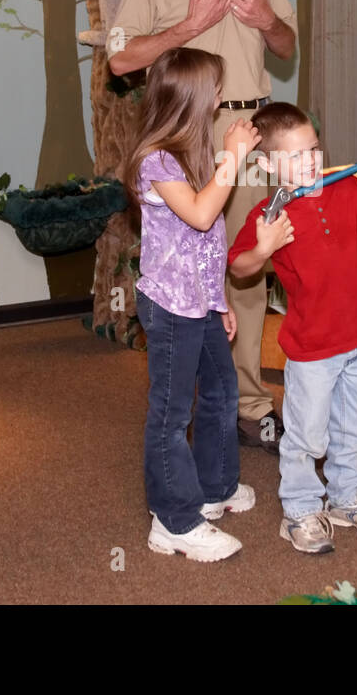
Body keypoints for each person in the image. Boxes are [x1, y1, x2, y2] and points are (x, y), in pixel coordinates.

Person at [109, 0, 298, 454]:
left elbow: (287, 46)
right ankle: (185, 405)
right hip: (187, 135)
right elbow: (121, 60)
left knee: (246, 267)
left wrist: (268, 20)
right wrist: (185, 29)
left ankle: (246, 403)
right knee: (186, 272)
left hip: (252, 133)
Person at [228, 102, 357, 553]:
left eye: (314, 149)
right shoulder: (269, 216)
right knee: (307, 434)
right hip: (312, 348)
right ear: (267, 164)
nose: (310, 161)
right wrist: (265, 247)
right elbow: (240, 267)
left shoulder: (345, 188)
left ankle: (347, 497)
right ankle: (301, 509)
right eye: (296, 155)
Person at [120, 47, 261, 562]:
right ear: (195, 98)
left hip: (199, 301)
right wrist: (233, 159)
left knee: (223, 393)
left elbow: (207, 242)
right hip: (170, 307)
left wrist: (218, 298)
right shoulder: (155, 159)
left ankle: (215, 488)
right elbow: (202, 215)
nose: (222, 98)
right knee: (171, 413)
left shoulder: (192, 151)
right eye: (216, 90)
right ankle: (174, 520)